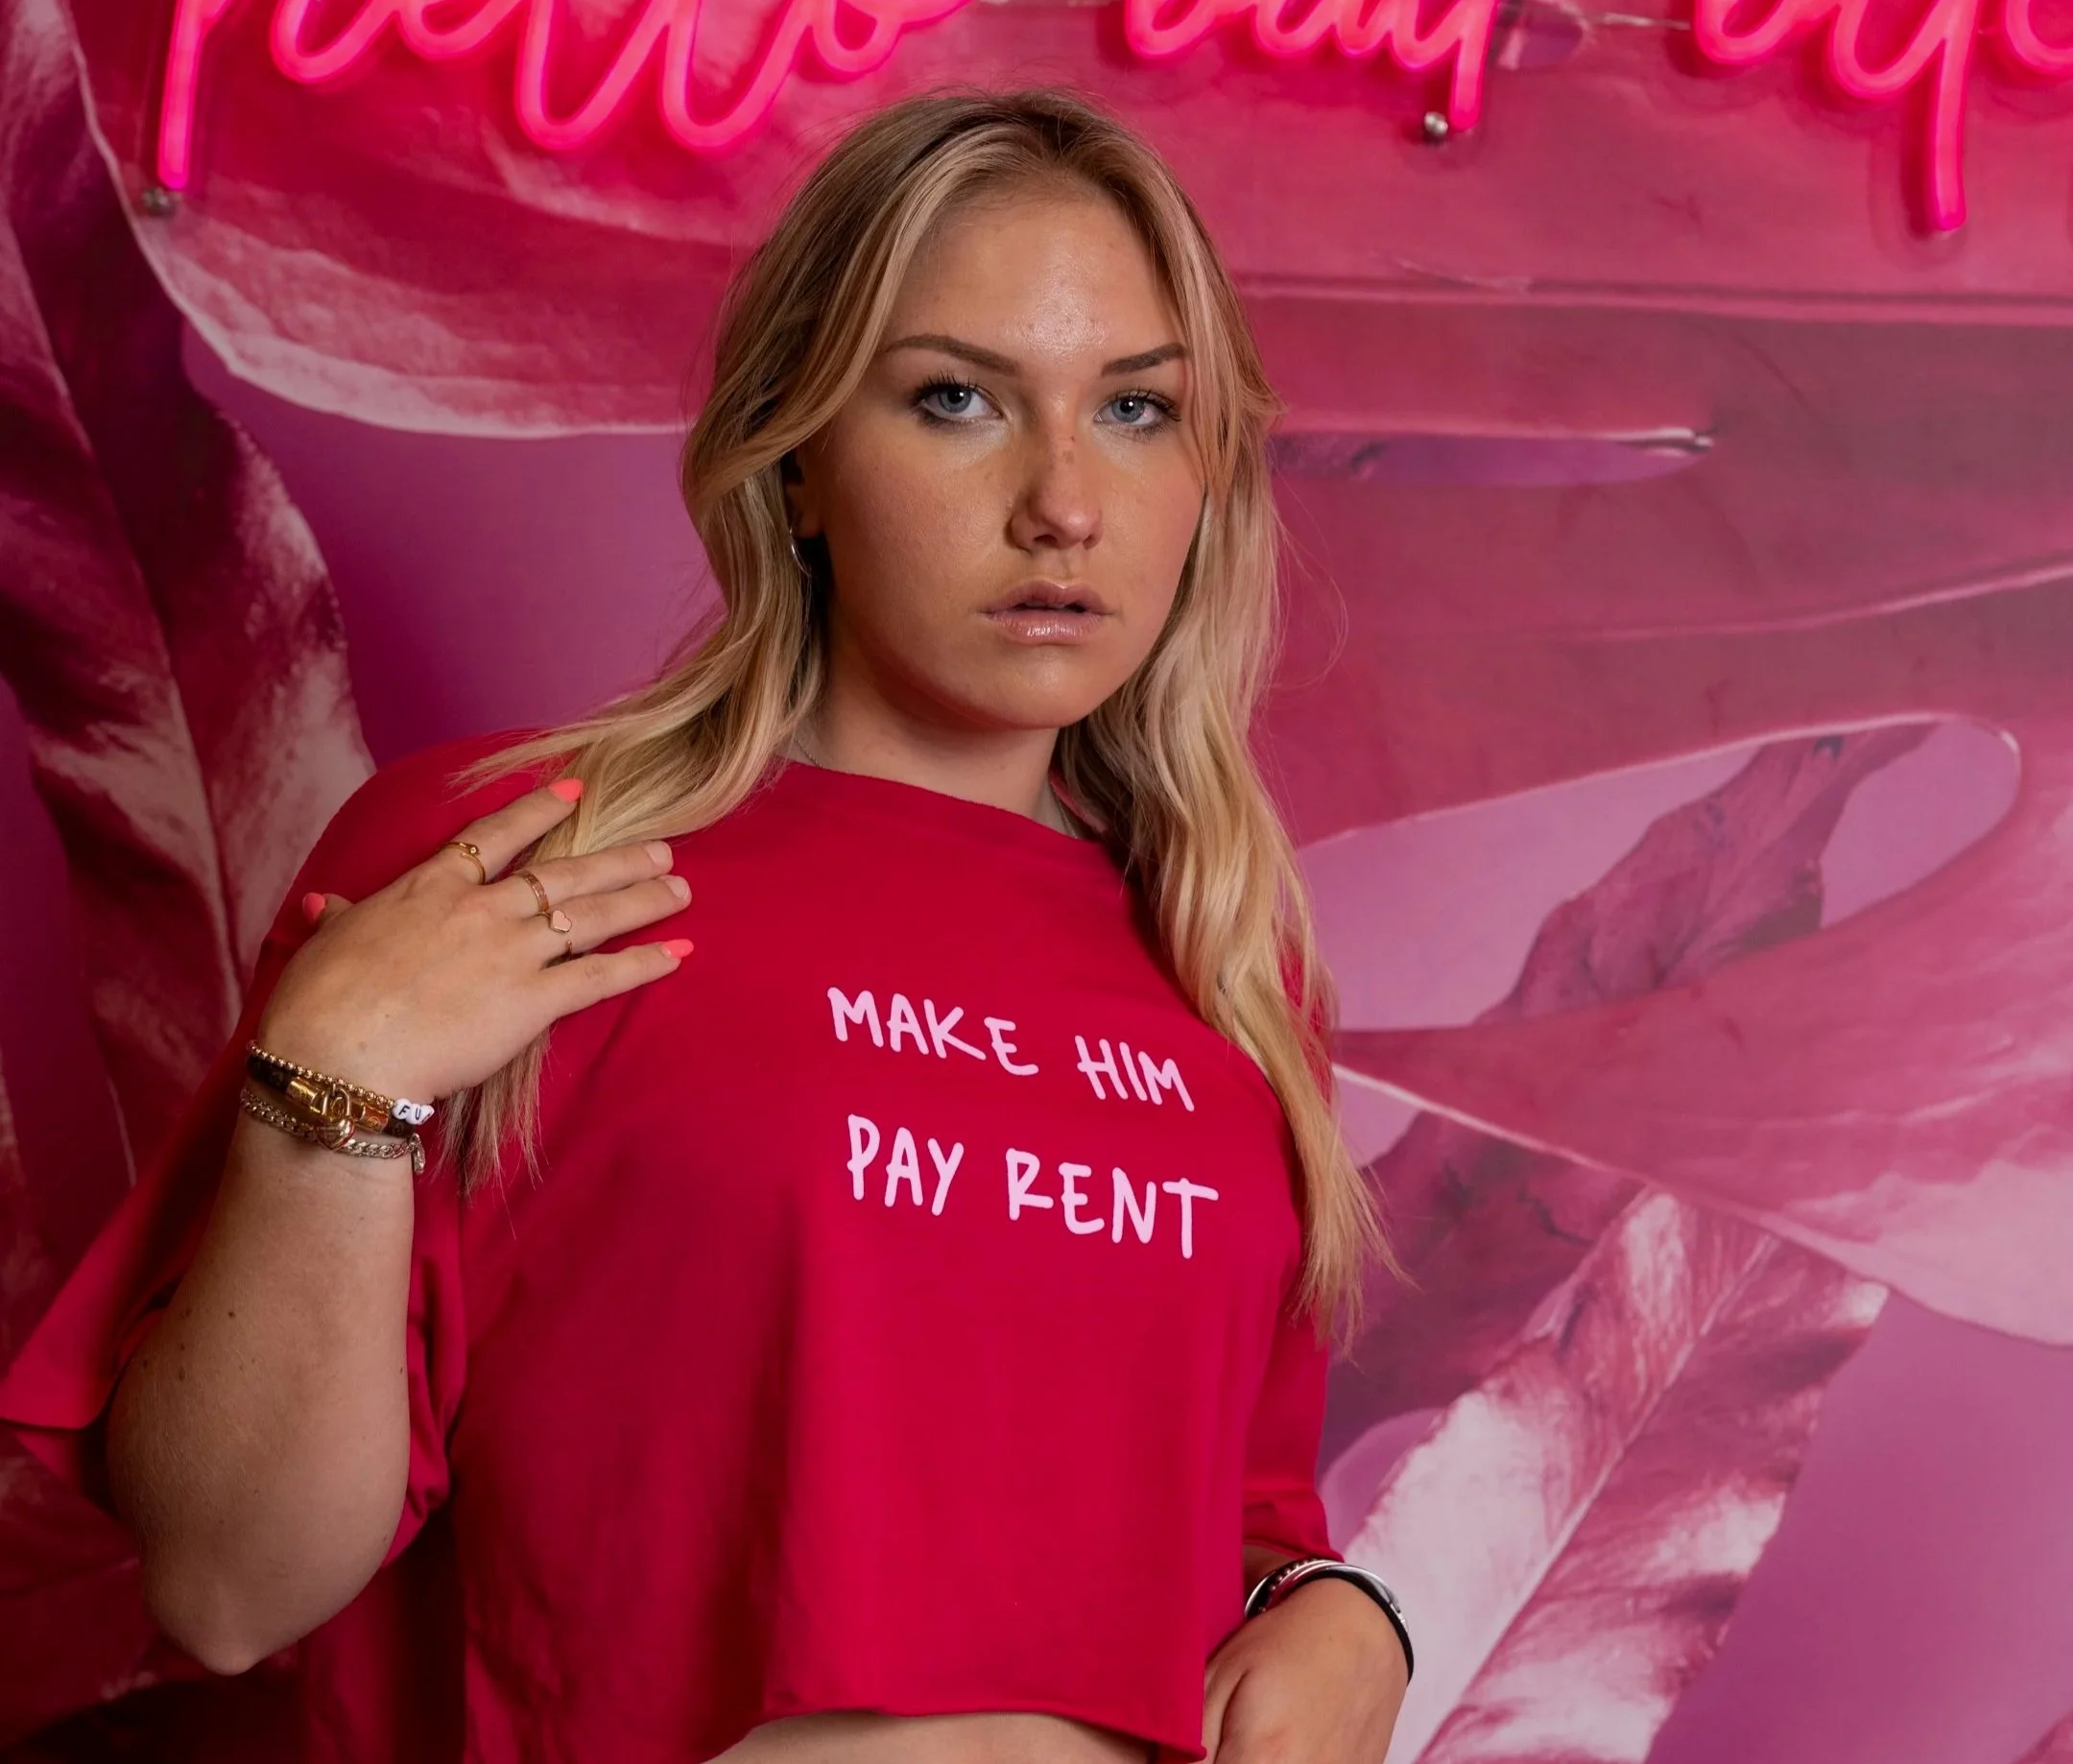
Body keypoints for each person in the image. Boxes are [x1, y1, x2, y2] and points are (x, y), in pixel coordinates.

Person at [0, 89, 1412, 1762]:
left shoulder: (1232, 960)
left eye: (1135, 410)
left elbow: (1234, 1517)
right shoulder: (534, 856)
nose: (1064, 504)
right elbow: (230, 1587)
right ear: (798, 458)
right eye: (956, 399)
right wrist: (327, 1099)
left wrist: (1345, 1612)